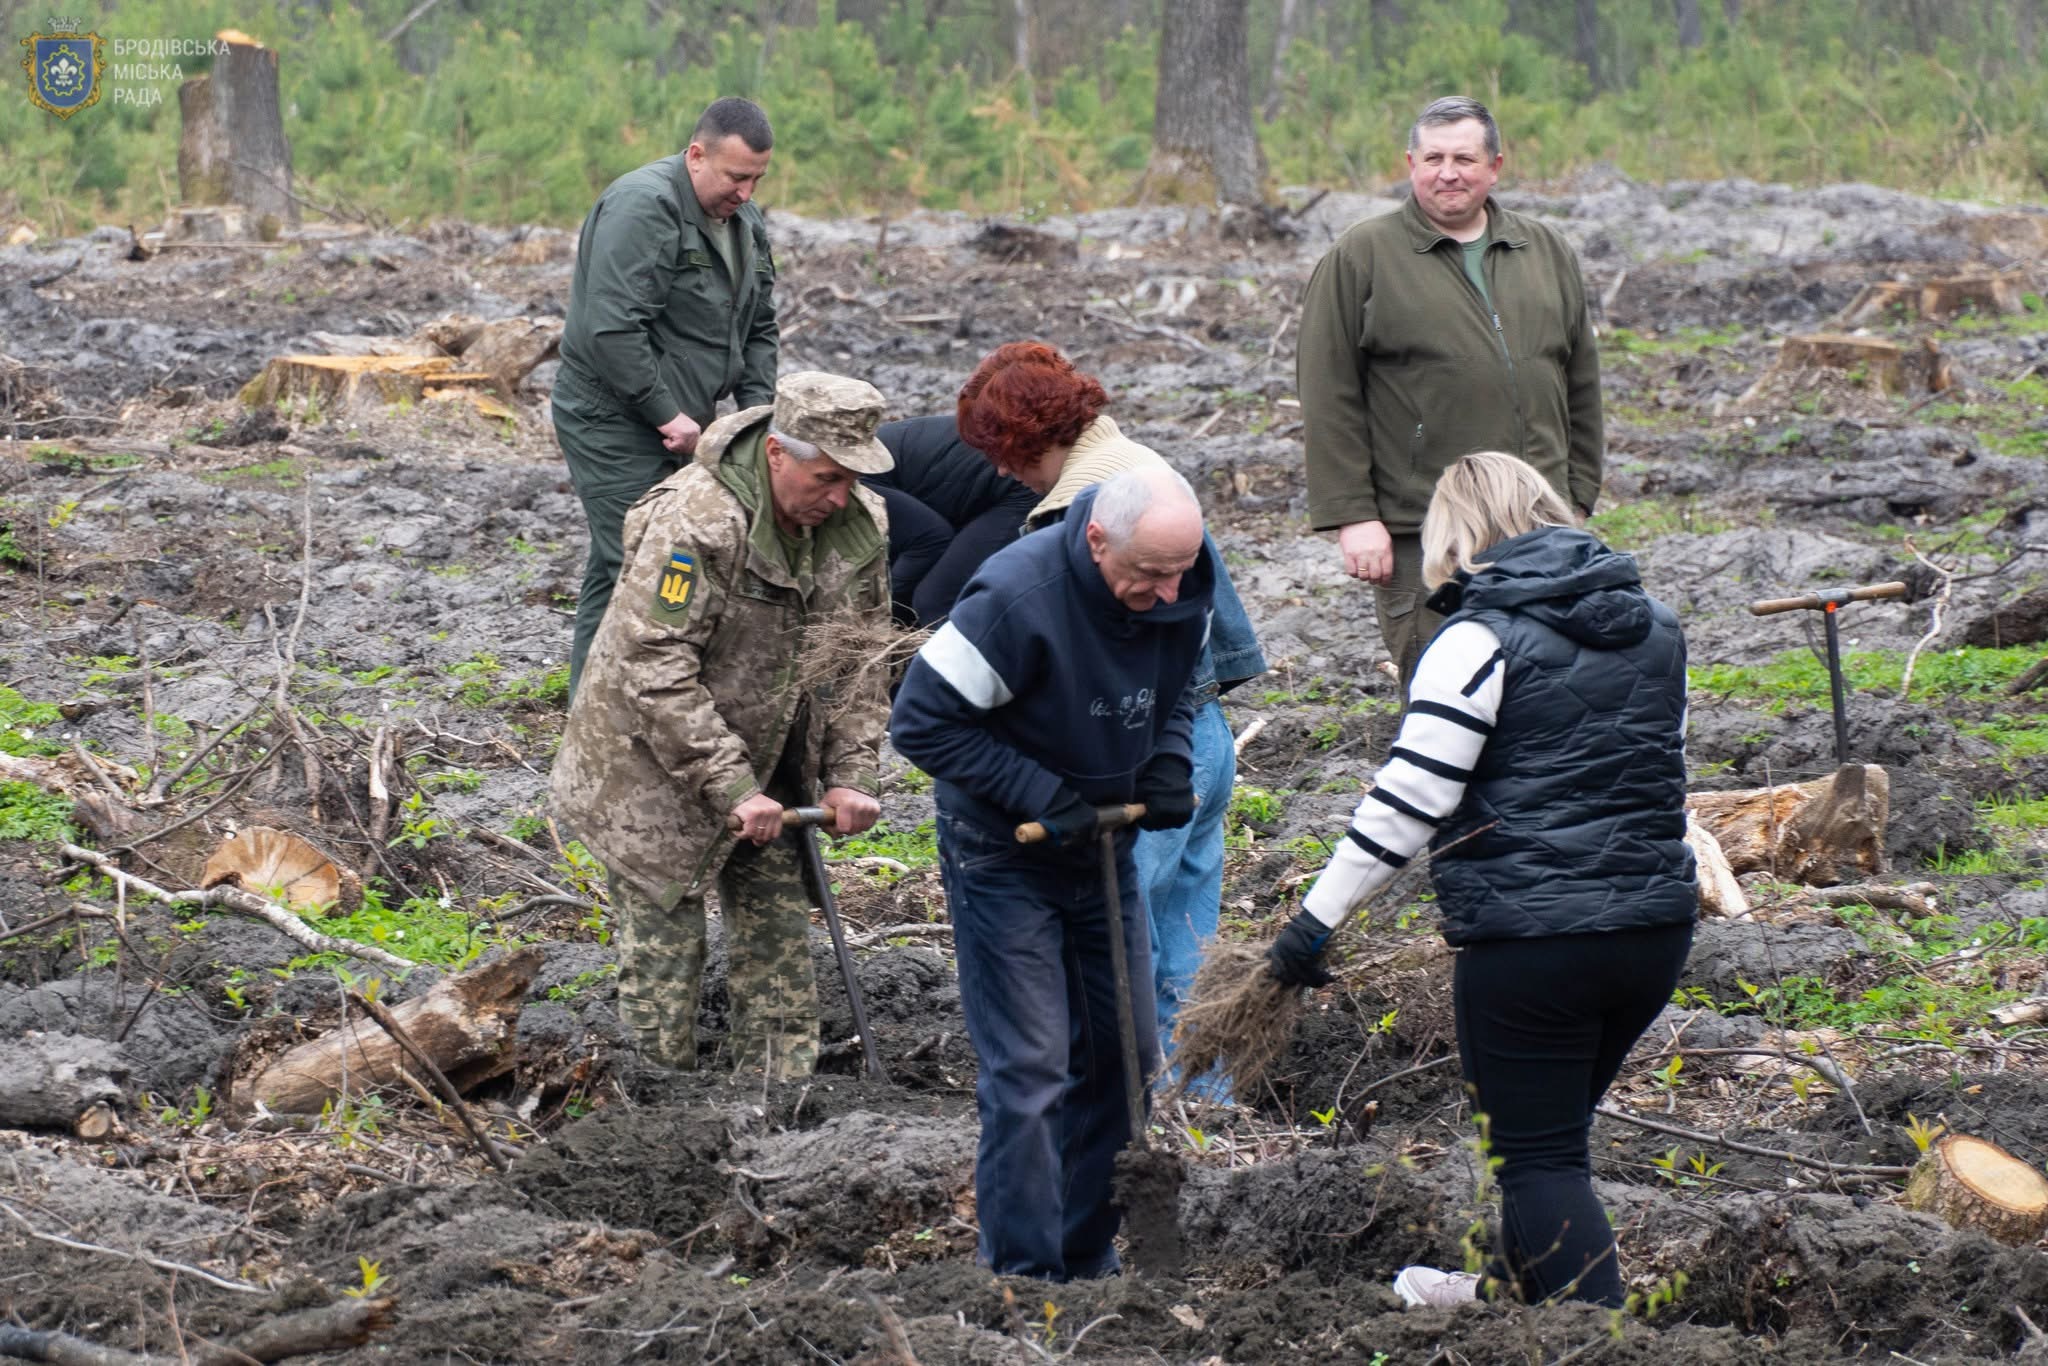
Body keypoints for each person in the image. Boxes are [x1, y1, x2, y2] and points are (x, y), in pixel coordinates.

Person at [1265, 451, 1696, 1310]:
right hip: (1654, 931)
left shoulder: (1474, 639)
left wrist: (1314, 922)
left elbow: (1409, 798)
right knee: (1551, 1139)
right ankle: (1505, 1293)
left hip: (1533, 944)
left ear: (1455, 533)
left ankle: (1596, 1337)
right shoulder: (1656, 625)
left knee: (1537, 1159)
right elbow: (1665, 769)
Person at [889, 466, 1215, 1281]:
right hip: (1004, 852)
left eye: (1176, 574)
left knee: (1127, 1053)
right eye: (1146, 575)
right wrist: (1037, 791)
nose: (1163, 593)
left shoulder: (1185, 583)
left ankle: (1086, 1252)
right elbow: (921, 723)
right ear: (1097, 540)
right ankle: (1024, 1275)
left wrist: (1169, 761)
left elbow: (1178, 690)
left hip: (1100, 849)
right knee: (1033, 1066)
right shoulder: (1014, 599)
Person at [550, 370, 895, 1081]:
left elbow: (860, 661)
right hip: (647, 760)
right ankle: (651, 1126)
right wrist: (731, 784)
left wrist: (852, 774)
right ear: (776, 453)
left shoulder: (859, 526)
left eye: (851, 480)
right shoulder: (696, 522)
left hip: (769, 758)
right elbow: (651, 666)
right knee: (664, 961)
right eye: (826, 477)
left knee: (778, 949)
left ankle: (780, 1111)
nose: (838, 498)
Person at [956, 341, 1267, 1100]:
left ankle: (1133, 1125)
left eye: (1003, 451)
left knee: (1117, 955)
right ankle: (1208, 1117)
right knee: (1186, 954)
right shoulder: (1147, 470)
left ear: (1033, 438)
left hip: (1144, 753)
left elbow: (1090, 666)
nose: (1001, 471)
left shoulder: (1082, 514)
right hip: (1206, 741)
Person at [1297, 95, 1604, 696]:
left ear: (1495, 166)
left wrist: (1579, 495)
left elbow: (1580, 380)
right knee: (1448, 688)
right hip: (1425, 525)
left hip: (1539, 518)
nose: (1448, 172)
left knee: (1548, 685)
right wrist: (1354, 516)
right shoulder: (1363, 255)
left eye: (1464, 157)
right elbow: (1327, 391)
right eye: (1433, 157)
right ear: (1410, 163)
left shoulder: (1544, 250)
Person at [554, 96, 780, 698]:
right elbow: (611, 328)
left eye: (758, 177)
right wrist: (667, 414)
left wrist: (756, 416)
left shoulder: (743, 221)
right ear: (696, 155)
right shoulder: (642, 206)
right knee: (637, 561)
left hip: (688, 418)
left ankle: (599, 706)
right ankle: (604, 719)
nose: (747, 192)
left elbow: (759, 326)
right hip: (610, 415)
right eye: (737, 177)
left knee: (637, 561)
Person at [863, 416, 1040, 626]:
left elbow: (931, 539)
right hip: (969, 487)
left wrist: (880, 617)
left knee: (934, 602)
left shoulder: (849, 487)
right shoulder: (840, 474)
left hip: (1017, 484)